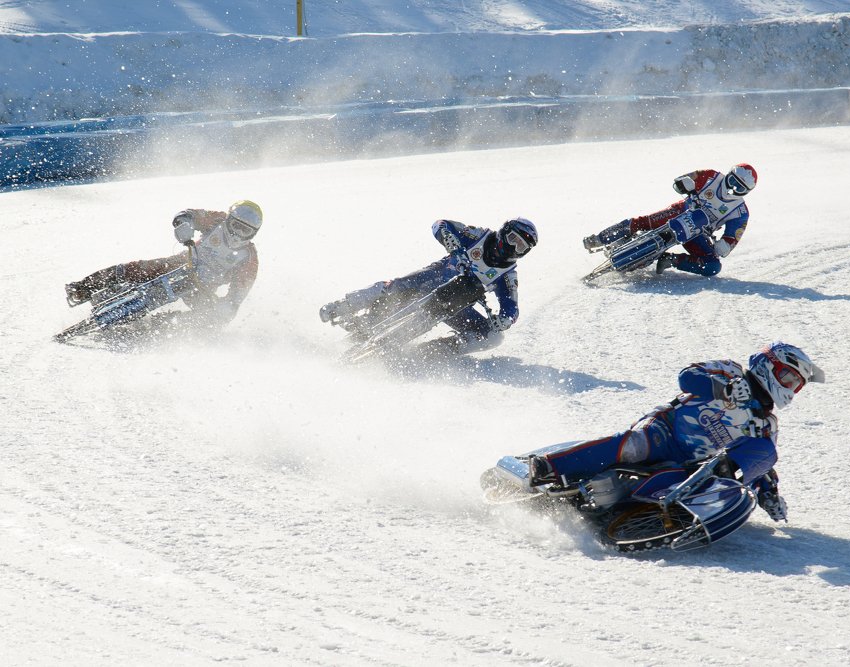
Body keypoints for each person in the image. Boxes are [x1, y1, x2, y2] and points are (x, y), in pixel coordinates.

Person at [527, 341, 824, 522]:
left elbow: (760, 465)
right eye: (787, 377)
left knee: (765, 451)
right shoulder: (731, 372)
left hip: (692, 468)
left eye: (795, 385)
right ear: (766, 365)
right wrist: (724, 389)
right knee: (633, 446)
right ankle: (548, 467)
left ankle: (641, 516)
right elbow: (688, 376)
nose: (789, 388)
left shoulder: (766, 424)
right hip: (664, 431)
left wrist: (769, 494)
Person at [320, 217, 538, 354]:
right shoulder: (478, 235)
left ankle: (435, 352)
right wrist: (450, 241)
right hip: (433, 277)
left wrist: (504, 321)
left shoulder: (507, 276)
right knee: (394, 287)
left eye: (521, 247)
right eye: (513, 239)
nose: (513, 248)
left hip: (454, 303)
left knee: (493, 338)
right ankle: (344, 305)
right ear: (503, 232)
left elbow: (512, 308)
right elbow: (441, 224)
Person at [64, 200, 262, 325]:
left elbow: (237, 295)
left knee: (212, 321)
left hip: (203, 287)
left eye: (245, 231)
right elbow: (188, 213)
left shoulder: (249, 259)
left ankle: (161, 325)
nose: (237, 234)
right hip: (184, 262)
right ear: (229, 219)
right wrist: (184, 224)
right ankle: (84, 287)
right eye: (236, 226)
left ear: (254, 233)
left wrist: (226, 307)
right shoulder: (216, 220)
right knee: (139, 268)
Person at [582, 164, 757, 277]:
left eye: (739, 187)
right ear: (728, 175)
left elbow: (732, 238)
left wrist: (724, 245)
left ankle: (671, 259)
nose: (732, 188)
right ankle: (600, 238)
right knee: (644, 221)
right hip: (681, 211)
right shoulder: (711, 176)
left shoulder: (740, 212)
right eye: (732, 181)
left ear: (746, 192)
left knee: (713, 267)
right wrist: (684, 184)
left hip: (697, 233)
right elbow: (684, 180)